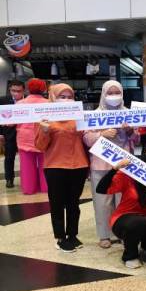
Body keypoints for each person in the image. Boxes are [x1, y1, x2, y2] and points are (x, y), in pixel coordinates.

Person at [96, 140, 146, 268]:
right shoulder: (129, 173)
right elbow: (101, 189)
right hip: (126, 218)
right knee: (137, 222)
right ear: (144, 152)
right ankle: (130, 255)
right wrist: (115, 168)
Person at [83, 80, 139, 249]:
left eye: (117, 93)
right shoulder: (94, 114)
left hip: (124, 163)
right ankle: (104, 235)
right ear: (103, 94)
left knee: (124, 200)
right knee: (102, 201)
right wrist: (102, 134)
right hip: (101, 163)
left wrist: (130, 131)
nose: (114, 96)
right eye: (110, 93)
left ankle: (123, 233)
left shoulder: (128, 113)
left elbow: (137, 139)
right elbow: (86, 139)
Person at [35, 84, 89, 252]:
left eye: (69, 96)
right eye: (62, 96)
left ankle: (72, 235)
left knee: (74, 204)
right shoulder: (46, 119)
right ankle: (60, 237)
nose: (66, 100)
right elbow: (39, 146)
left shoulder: (79, 117)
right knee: (57, 204)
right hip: (55, 167)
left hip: (79, 165)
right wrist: (44, 131)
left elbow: (86, 139)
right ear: (53, 98)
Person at [13, 79, 50, 195]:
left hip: (24, 138)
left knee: (26, 165)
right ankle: (46, 188)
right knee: (46, 164)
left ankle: (29, 189)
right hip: (43, 136)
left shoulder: (19, 104)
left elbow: (13, 122)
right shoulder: (49, 103)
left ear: (28, 89)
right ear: (44, 89)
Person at [0, 80, 26, 188]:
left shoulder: (29, 100)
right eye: (13, 91)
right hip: (9, 134)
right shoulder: (3, 100)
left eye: (18, 91)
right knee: (9, 157)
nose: (15, 93)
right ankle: (9, 179)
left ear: (23, 90)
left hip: (26, 134)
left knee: (27, 158)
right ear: (9, 90)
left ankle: (28, 179)